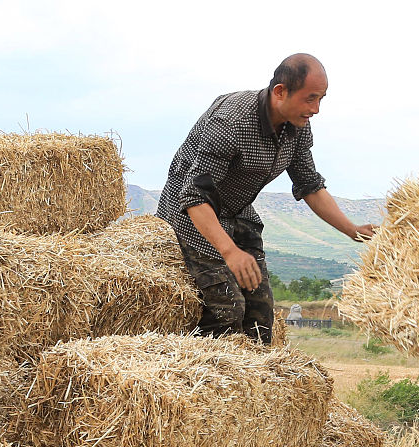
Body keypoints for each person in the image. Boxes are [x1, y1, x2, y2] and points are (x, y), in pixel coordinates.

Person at [156, 53, 376, 344]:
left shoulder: (295, 127)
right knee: (227, 310)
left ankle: (254, 380)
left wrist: (352, 230)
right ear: (281, 92)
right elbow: (195, 197)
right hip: (193, 215)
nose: (317, 109)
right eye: (310, 98)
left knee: (260, 317)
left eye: (322, 98)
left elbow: (309, 185)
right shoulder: (230, 123)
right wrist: (230, 251)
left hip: (238, 212)